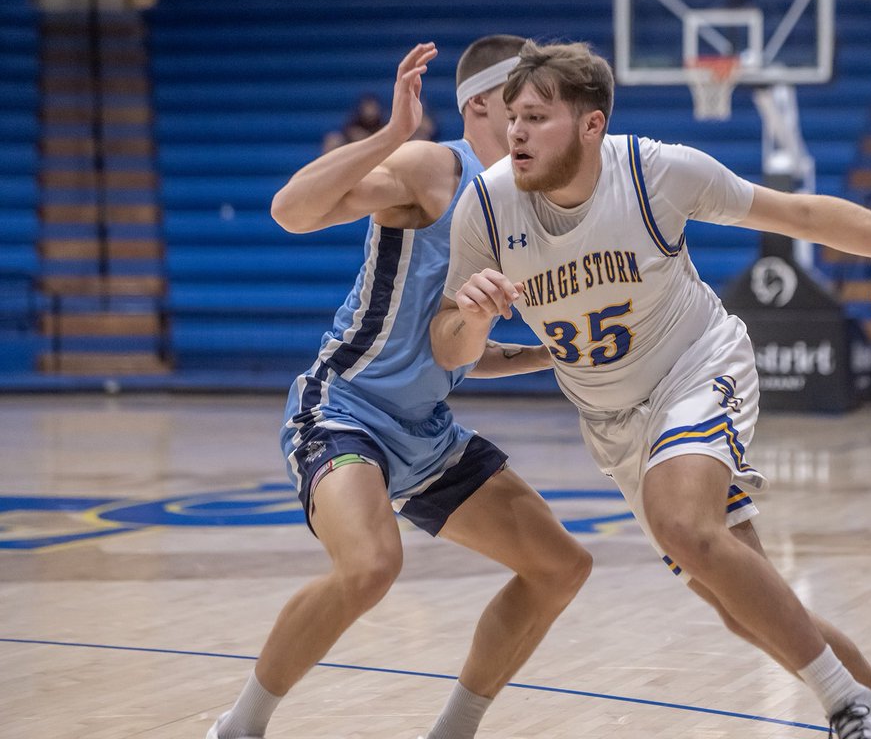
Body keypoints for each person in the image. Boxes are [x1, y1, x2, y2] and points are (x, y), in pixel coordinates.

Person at [430, 40, 871, 739]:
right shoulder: (486, 208)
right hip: (614, 423)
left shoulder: (655, 173)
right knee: (741, 603)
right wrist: (471, 321)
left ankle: (848, 710)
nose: (516, 132)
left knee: (682, 523)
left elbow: (802, 216)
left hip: (695, 367)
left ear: (591, 124)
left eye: (537, 118)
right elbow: (449, 348)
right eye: (513, 116)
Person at [207, 36, 592, 739]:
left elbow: (460, 354)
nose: (533, 111)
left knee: (560, 566)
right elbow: (290, 211)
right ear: (481, 104)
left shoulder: (521, 206)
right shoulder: (434, 167)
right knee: (371, 566)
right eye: (521, 98)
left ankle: (452, 732)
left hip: (425, 428)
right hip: (345, 407)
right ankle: (239, 727)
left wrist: (557, 354)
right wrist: (392, 134)